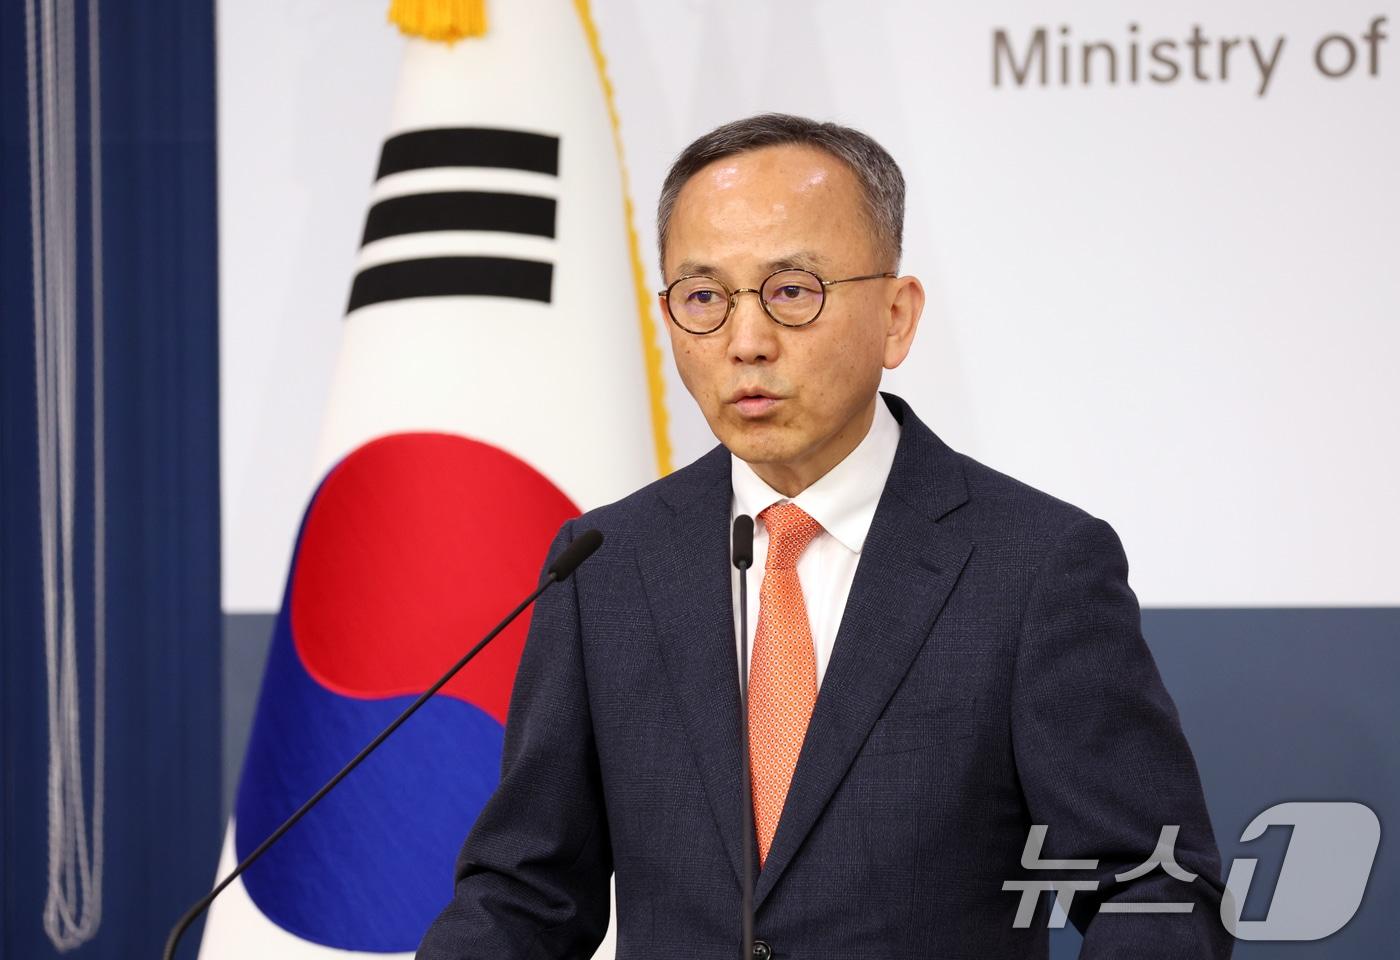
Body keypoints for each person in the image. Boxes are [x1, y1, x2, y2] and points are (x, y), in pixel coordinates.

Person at [417, 113, 1233, 959]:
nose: (746, 343)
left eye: (792, 291)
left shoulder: (1032, 568)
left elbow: (1155, 887)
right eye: (703, 298)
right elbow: (529, 893)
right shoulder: (606, 567)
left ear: (896, 317)